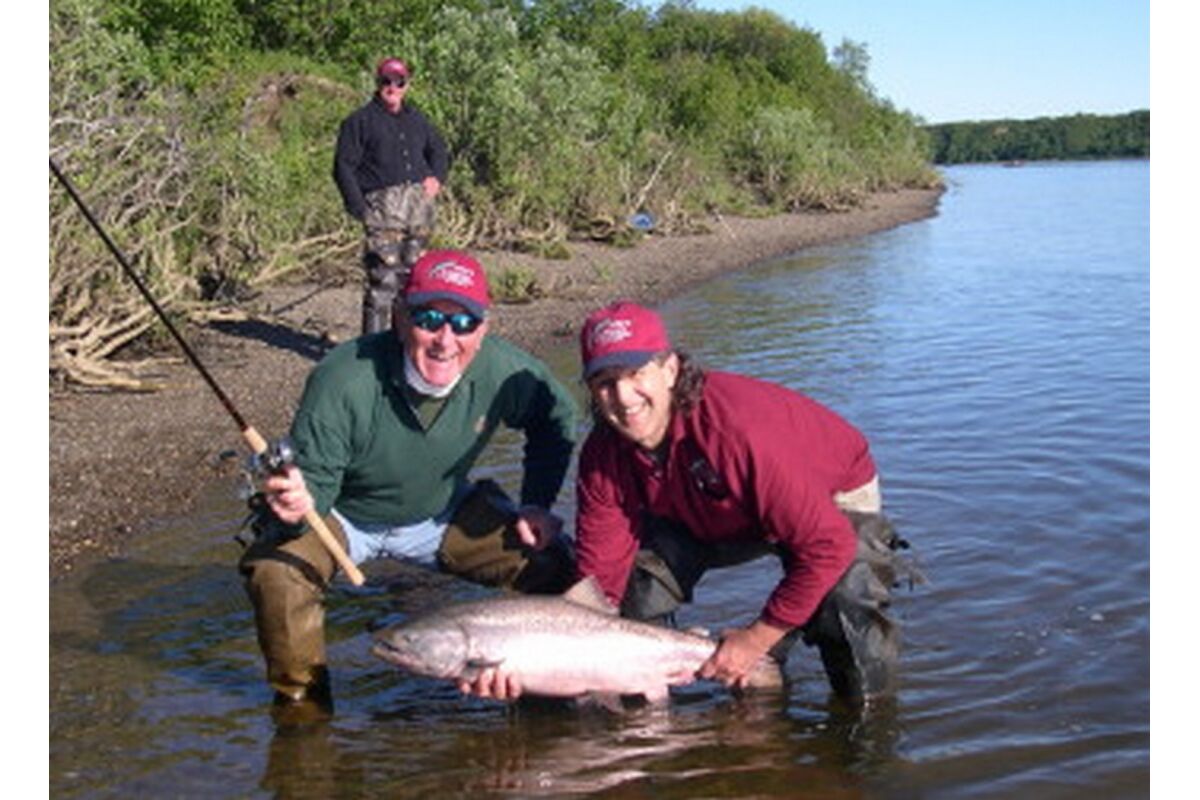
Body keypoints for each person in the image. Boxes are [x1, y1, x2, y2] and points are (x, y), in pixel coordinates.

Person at [238, 249, 579, 717]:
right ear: (400, 317)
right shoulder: (343, 378)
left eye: (463, 323)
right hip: (343, 516)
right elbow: (311, 496)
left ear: (483, 329)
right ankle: (304, 716)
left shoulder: (506, 371)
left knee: (555, 563)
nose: (445, 340)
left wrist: (536, 503)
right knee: (277, 572)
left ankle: (548, 703)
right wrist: (293, 509)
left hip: (442, 512)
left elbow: (557, 418)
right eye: (429, 319)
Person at [569, 300, 914, 704]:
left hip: (828, 498)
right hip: (703, 507)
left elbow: (828, 545)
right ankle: (653, 704)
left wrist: (756, 638)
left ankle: (867, 718)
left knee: (844, 595)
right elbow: (599, 584)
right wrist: (577, 663)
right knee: (635, 581)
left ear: (670, 370)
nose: (623, 397)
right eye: (605, 382)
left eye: (636, 374)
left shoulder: (738, 432)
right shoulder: (601, 457)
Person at [334, 56, 450, 335]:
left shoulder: (418, 120)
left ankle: (404, 344)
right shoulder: (359, 121)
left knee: (413, 282)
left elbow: (439, 151)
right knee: (382, 283)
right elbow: (342, 167)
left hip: (418, 211)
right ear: (378, 82)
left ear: (407, 85)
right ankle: (371, 349)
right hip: (382, 210)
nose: (393, 87)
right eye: (387, 81)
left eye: (399, 82)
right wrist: (360, 208)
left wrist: (437, 178)